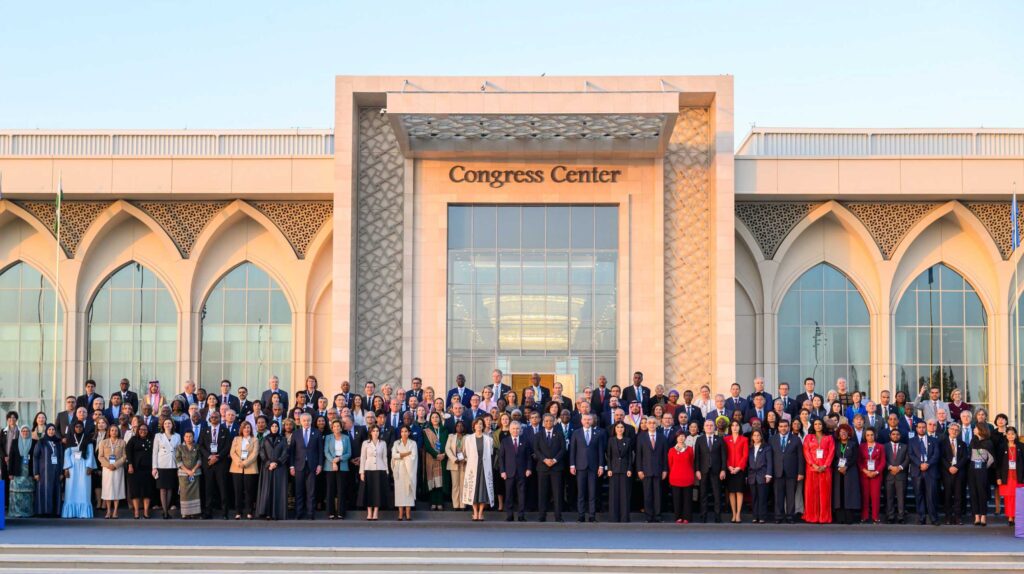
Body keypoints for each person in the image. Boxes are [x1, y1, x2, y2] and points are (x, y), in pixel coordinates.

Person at [569, 413, 605, 523]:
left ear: (592, 421)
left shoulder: (598, 433)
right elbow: (572, 450)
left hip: (593, 467)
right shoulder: (576, 433)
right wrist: (572, 465)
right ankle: (581, 515)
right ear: (581, 421)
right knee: (581, 492)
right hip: (580, 466)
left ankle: (592, 516)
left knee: (592, 492)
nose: (587, 421)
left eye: (589, 420)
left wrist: (601, 466)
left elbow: (600, 451)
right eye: (585, 419)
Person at [289, 412, 323, 520]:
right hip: (299, 466)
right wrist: (291, 466)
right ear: (300, 421)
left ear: (311, 421)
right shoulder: (296, 433)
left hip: (312, 466)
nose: (306, 422)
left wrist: (320, 465)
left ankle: (310, 513)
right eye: (304, 420)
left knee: (311, 491)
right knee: (299, 491)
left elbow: (320, 451)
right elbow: (292, 451)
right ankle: (299, 512)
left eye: (308, 420)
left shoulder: (317, 433)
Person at [533, 413, 566, 522]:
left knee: (557, 493)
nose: (548, 423)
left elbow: (563, 449)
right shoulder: (538, 435)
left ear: (554, 422)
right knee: (542, 493)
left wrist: (555, 460)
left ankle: (558, 516)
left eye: (550, 421)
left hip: (556, 468)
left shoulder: (560, 434)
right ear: (543, 422)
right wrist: (545, 460)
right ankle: (542, 516)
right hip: (542, 467)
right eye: (546, 421)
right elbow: (536, 450)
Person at [499, 420, 533, 522]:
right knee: (509, 494)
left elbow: (528, 457)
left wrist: (529, 468)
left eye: (517, 428)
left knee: (521, 494)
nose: (515, 430)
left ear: (520, 430)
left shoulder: (525, 440)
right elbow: (501, 457)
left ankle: (521, 515)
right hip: (509, 472)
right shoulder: (505, 441)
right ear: (510, 430)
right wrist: (502, 471)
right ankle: (509, 515)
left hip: (522, 472)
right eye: (513, 428)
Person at [908, 420, 940, 525]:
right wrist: (920, 464)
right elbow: (911, 455)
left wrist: (927, 464)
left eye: (923, 427)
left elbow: (936, 455)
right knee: (919, 495)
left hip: (930, 471)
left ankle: (933, 518)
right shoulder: (911, 441)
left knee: (931, 495)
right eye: (919, 427)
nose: (921, 429)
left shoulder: (934, 440)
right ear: (916, 429)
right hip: (917, 471)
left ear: (926, 428)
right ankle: (921, 517)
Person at [802, 418, 834, 523]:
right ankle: (811, 517)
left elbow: (831, 452)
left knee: (825, 494)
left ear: (823, 425)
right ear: (813, 426)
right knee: (811, 493)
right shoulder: (808, 437)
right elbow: (806, 452)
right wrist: (813, 465)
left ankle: (824, 517)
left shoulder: (829, 438)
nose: (817, 426)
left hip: (825, 469)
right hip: (811, 469)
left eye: (819, 424)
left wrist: (825, 465)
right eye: (815, 424)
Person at [463, 418, 494, 521]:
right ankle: (475, 512)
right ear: (474, 426)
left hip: (484, 467)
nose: (479, 426)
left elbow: (490, 453)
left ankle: (480, 513)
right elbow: (466, 453)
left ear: (483, 426)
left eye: (481, 424)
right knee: (473, 490)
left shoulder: (488, 440)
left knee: (483, 490)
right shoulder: (468, 439)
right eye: (477, 424)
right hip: (473, 467)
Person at [256, 420, 288, 520]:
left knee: (278, 490)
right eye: (273, 426)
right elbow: (261, 452)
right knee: (267, 489)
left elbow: (285, 453)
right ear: (270, 428)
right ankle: (267, 512)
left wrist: (276, 463)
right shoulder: (265, 439)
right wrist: (268, 463)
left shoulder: (283, 439)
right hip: (267, 468)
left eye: (276, 426)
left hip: (280, 468)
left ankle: (277, 513)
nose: (274, 428)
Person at [695, 419, 726, 523]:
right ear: (703, 427)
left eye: (711, 425)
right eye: (707, 425)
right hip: (703, 470)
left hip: (716, 470)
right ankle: (703, 516)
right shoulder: (699, 440)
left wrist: (723, 470)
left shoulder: (720, 439)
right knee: (703, 494)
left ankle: (718, 517)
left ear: (714, 427)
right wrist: (697, 470)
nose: (709, 427)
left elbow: (723, 456)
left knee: (717, 494)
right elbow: (697, 456)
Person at [61, 420, 94, 519]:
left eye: (80, 427)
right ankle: (70, 513)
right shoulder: (70, 439)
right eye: (76, 427)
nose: (78, 428)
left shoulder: (87, 438)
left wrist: (89, 466)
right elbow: (67, 454)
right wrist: (66, 468)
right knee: (71, 488)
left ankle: (83, 513)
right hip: (72, 466)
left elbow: (90, 453)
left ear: (83, 427)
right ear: (73, 428)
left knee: (84, 487)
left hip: (84, 465)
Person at [940, 422, 969, 525]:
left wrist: (956, 467)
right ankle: (948, 518)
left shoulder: (963, 444)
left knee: (958, 496)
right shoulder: (942, 443)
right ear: (948, 430)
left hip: (959, 473)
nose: (954, 431)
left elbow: (965, 457)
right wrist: (949, 467)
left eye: (956, 430)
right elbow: (941, 457)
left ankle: (958, 517)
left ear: (959, 432)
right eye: (952, 429)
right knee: (947, 496)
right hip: (947, 473)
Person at [229, 420, 259, 520]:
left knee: (249, 491)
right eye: (245, 427)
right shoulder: (236, 439)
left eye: (248, 427)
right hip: (236, 468)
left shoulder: (255, 440)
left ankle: (249, 511)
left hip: (250, 468)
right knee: (238, 491)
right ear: (241, 429)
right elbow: (232, 452)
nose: (246, 429)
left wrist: (245, 463)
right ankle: (238, 512)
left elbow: (255, 454)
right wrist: (238, 462)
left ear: (251, 429)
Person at [125, 420, 154, 519]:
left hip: (148, 469)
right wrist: (130, 465)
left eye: (145, 429)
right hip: (135, 469)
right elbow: (128, 452)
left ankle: (146, 512)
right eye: (141, 429)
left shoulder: (152, 439)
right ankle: (136, 512)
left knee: (147, 491)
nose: (143, 431)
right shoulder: (133, 439)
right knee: (135, 491)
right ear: (138, 430)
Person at [358, 424, 389, 520]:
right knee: (369, 491)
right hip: (368, 469)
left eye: (377, 431)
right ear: (370, 432)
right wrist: (361, 472)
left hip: (380, 469)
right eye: (374, 431)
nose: (376, 433)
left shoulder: (383, 443)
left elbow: (385, 457)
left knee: (377, 492)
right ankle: (369, 512)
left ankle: (376, 512)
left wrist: (386, 470)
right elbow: (363, 458)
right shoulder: (365, 443)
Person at [605, 421, 634, 523]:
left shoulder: (628, 440)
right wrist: (609, 469)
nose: (620, 429)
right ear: (615, 429)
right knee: (614, 494)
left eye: (622, 427)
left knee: (624, 494)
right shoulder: (611, 440)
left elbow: (631, 456)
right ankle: (614, 517)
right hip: (614, 470)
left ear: (624, 429)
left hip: (625, 470)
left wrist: (630, 468)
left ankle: (624, 518)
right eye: (618, 427)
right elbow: (609, 456)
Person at [151, 418, 180, 519]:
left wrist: (179, 467)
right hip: (161, 465)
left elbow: (179, 452)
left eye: (169, 423)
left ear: (172, 425)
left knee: (170, 488)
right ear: (163, 425)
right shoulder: (158, 436)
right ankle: (165, 512)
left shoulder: (177, 436)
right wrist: (154, 467)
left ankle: (166, 509)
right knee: (163, 489)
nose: (167, 425)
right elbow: (155, 452)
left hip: (173, 465)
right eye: (165, 423)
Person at [831, 424, 860, 525]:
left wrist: (846, 466)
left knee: (849, 493)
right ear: (838, 434)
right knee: (839, 493)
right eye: (841, 432)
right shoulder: (835, 444)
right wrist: (838, 467)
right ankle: (840, 518)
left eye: (845, 432)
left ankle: (849, 518)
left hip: (850, 471)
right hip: (838, 472)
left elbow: (855, 457)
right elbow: (833, 458)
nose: (843, 434)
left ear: (849, 434)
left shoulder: (853, 444)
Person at [323, 419, 351, 520]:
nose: (336, 428)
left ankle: (340, 512)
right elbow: (326, 452)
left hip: (343, 464)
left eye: (338, 426)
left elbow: (349, 453)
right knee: (330, 489)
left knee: (341, 490)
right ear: (332, 428)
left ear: (341, 427)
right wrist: (334, 461)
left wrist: (339, 459)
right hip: (330, 465)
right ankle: (330, 512)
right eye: (334, 426)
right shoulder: (328, 437)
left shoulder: (346, 438)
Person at [97, 425, 127, 519]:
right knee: (108, 489)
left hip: (118, 468)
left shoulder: (122, 442)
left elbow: (125, 456)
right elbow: (100, 456)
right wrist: (108, 465)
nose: (114, 432)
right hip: (107, 469)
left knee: (117, 488)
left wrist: (115, 464)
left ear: (118, 432)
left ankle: (115, 511)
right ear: (109, 432)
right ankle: (108, 511)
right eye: (112, 430)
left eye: (116, 430)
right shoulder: (103, 442)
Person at [33, 424, 63, 516]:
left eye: (53, 429)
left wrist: (61, 472)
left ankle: (55, 512)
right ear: (46, 431)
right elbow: (35, 457)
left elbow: (61, 458)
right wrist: (36, 472)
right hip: (43, 472)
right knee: (45, 490)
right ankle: (43, 511)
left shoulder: (58, 442)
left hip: (56, 471)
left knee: (55, 490)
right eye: (49, 429)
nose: (51, 431)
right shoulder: (41, 442)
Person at [968, 424, 994, 526]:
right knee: (973, 492)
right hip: (972, 469)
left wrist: (984, 467)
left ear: (981, 430)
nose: (974, 429)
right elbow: (969, 455)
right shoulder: (973, 441)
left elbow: (991, 459)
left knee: (982, 492)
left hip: (982, 470)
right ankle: (976, 516)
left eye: (975, 428)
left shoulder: (988, 442)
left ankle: (983, 515)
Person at [996, 426, 1022, 527]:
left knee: (1018, 497)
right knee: (1008, 497)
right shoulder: (1002, 447)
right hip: (1006, 476)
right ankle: (1010, 517)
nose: (1011, 436)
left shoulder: (1021, 446)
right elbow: (998, 464)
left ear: (1016, 435)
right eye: (1009, 434)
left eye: (1013, 434)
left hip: (1018, 476)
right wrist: (998, 477)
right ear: (1006, 435)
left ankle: (1017, 516)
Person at [390, 425, 418, 521]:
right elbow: (394, 455)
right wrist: (406, 454)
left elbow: (413, 457)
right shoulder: (396, 443)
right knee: (400, 491)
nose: (404, 433)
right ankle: (400, 513)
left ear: (409, 433)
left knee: (408, 490)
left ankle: (408, 513)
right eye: (402, 431)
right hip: (399, 470)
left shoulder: (413, 443)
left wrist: (400, 455)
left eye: (406, 431)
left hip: (409, 470)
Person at [667, 431, 695, 524]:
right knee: (677, 499)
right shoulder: (671, 450)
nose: (681, 438)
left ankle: (687, 517)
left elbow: (691, 462)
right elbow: (670, 465)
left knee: (687, 499)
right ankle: (678, 517)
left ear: (685, 438)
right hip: (675, 477)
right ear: (676, 438)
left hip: (687, 477)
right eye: (679, 436)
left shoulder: (690, 449)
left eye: (683, 436)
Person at [724, 419, 749, 523]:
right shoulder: (726, 439)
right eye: (733, 425)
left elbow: (745, 455)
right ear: (730, 427)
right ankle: (733, 513)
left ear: (740, 427)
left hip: (740, 469)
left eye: (737, 425)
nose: (735, 427)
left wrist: (739, 467)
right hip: (729, 469)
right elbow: (724, 455)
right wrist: (729, 466)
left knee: (739, 491)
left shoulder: (744, 439)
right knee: (731, 492)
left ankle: (738, 514)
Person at [423, 411, 448, 510]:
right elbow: (427, 446)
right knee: (432, 480)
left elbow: (447, 443)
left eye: (437, 417)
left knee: (440, 481)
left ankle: (440, 502)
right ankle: (433, 502)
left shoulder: (444, 430)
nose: (435, 419)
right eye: (433, 417)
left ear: (440, 419)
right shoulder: (427, 431)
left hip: (442, 458)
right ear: (430, 419)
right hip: (431, 458)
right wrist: (436, 454)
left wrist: (442, 454)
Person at [858, 428, 884, 524]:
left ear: (875, 435)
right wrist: (865, 471)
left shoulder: (880, 446)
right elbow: (859, 461)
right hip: (864, 474)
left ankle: (875, 517)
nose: (870, 437)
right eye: (868, 435)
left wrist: (876, 472)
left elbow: (883, 461)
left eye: (871, 435)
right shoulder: (861, 447)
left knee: (875, 496)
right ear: (865, 436)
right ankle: (864, 516)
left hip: (876, 475)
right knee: (865, 496)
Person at [175, 429, 202, 519]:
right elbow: (178, 461)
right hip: (183, 474)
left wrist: (193, 470)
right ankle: (185, 513)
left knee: (195, 493)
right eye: (186, 436)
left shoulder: (197, 446)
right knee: (184, 493)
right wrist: (187, 471)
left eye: (190, 436)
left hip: (195, 473)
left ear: (193, 437)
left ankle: (194, 513)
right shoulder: (180, 447)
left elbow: (199, 459)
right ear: (184, 437)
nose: (188, 438)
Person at [8, 426, 35, 517]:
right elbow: (11, 458)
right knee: (16, 493)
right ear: (20, 432)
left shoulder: (34, 442)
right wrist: (10, 472)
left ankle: (28, 513)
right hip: (17, 471)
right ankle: (16, 512)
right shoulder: (15, 442)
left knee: (28, 493)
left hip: (29, 471)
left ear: (29, 432)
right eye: (23, 431)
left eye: (27, 431)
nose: (25, 432)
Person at [884, 429, 909, 524]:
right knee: (889, 497)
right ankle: (890, 516)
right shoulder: (885, 446)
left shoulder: (905, 446)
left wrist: (900, 467)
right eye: (893, 434)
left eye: (897, 434)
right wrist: (890, 467)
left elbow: (907, 459)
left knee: (901, 497)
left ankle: (901, 516)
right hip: (889, 475)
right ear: (890, 435)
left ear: (900, 436)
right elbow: (883, 458)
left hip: (901, 475)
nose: (895, 436)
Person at [445, 420, 469, 510]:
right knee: (455, 485)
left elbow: (471, 450)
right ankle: (456, 505)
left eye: (461, 426)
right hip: (454, 463)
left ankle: (463, 505)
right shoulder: (451, 436)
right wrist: (454, 459)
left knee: (463, 484)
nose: (459, 427)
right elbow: (447, 449)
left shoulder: (468, 437)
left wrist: (465, 459)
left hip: (464, 463)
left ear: (464, 427)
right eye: (458, 426)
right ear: (455, 427)